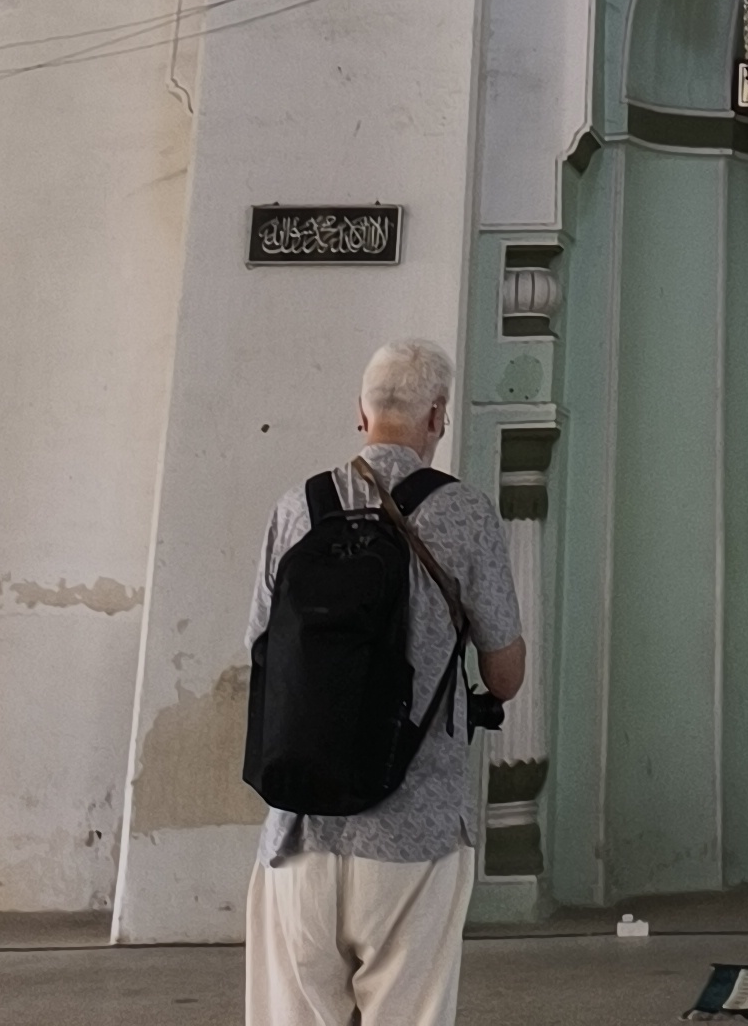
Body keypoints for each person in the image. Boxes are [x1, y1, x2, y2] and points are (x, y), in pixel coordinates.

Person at [247, 337, 525, 1026]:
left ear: (360, 413)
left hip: (298, 828)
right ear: (437, 416)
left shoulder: (297, 507)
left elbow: (259, 647)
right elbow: (505, 673)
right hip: (414, 831)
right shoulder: (464, 514)